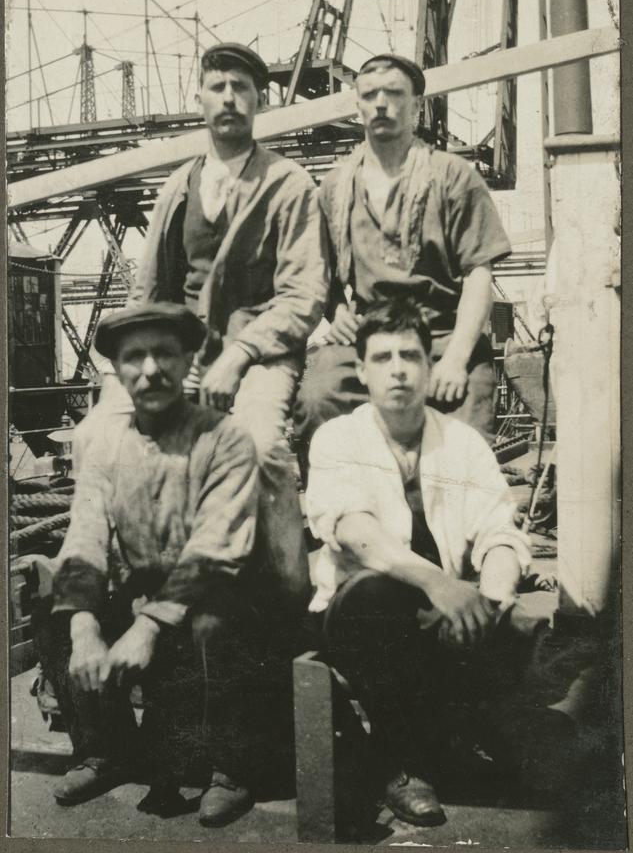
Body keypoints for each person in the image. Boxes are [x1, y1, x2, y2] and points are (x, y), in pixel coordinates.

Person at [88, 42, 329, 611]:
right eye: (218, 86)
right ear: (199, 98)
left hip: (261, 352)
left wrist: (241, 352)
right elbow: (149, 292)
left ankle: (292, 596)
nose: (229, 98)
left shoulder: (289, 184)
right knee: (104, 435)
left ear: (259, 101)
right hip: (185, 352)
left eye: (241, 88)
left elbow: (303, 296)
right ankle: (119, 584)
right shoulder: (179, 186)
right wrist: (130, 370)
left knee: (263, 446)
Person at [33, 303, 287, 827]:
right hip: (144, 597)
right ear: (119, 371)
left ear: (190, 359)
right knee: (56, 603)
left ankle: (230, 768)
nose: (151, 369)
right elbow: (85, 533)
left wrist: (147, 627)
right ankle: (107, 750)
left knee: (221, 620)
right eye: (135, 357)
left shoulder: (226, 438)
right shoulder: (105, 443)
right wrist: (83, 625)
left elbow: (217, 548)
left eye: (165, 353)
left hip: (216, 595)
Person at [305, 298, 532, 827]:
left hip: (443, 617)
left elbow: (499, 530)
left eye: (410, 355)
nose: (398, 369)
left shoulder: (464, 443)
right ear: (361, 371)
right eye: (382, 358)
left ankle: (452, 729)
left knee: (517, 624)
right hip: (359, 615)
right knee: (377, 595)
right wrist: (440, 586)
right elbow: (355, 533)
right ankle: (402, 763)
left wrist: (489, 604)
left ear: (430, 368)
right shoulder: (337, 438)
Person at [294, 52, 511, 475]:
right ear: (357, 107)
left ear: (415, 106)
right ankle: (341, 522)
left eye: (394, 94)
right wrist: (335, 310)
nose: (381, 104)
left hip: (443, 333)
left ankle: (442, 535)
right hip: (370, 333)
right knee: (319, 397)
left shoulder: (453, 176)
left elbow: (479, 272)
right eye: (370, 95)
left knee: (464, 447)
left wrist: (456, 357)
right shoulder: (336, 185)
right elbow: (317, 271)